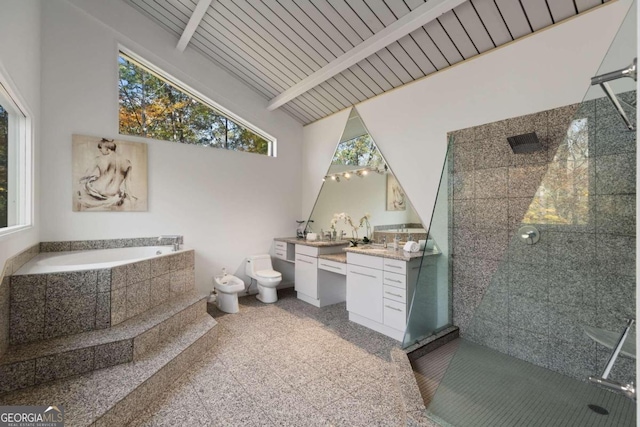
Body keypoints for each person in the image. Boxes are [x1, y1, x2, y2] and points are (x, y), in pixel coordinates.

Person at [77, 138, 137, 210]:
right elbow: (128, 184)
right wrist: (131, 197)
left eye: (101, 149)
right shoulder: (127, 162)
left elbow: (86, 175)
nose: (100, 151)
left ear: (107, 149)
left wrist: (80, 180)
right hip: (113, 193)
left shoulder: (99, 159)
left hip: (97, 190)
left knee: (81, 186)